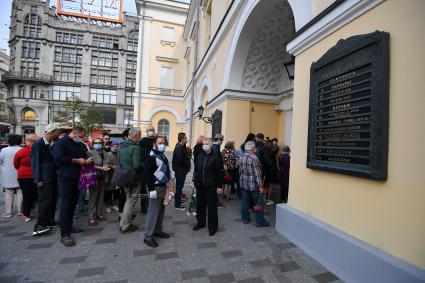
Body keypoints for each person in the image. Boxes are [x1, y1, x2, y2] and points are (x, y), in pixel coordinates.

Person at [53, 126, 92, 247]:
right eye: (80, 136)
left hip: (78, 177)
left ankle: (69, 226)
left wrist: (87, 159)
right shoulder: (61, 143)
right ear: (74, 133)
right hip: (65, 177)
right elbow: (58, 158)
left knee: (73, 203)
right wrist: (76, 161)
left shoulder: (79, 144)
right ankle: (64, 234)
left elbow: (84, 154)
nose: (81, 139)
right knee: (66, 204)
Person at [31, 124, 61, 236]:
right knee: (45, 200)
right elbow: (35, 162)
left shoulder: (51, 144)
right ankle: (39, 225)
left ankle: (49, 221)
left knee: (52, 199)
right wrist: (38, 179)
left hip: (52, 177)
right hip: (44, 178)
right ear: (51, 133)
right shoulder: (38, 144)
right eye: (57, 133)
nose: (58, 135)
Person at [143, 136, 171, 247]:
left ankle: (158, 230)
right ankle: (148, 236)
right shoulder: (151, 155)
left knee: (161, 210)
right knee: (153, 211)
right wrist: (151, 189)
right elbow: (147, 174)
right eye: (160, 143)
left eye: (164, 143)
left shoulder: (161, 154)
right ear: (154, 143)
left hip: (162, 186)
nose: (162, 145)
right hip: (155, 187)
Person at [193, 138, 224, 236]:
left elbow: (219, 172)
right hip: (200, 185)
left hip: (211, 185)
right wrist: (194, 182)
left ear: (211, 145)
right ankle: (200, 223)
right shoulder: (200, 155)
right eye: (204, 143)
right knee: (200, 205)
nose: (204, 145)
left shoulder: (215, 156)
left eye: (207, 143)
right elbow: (197, 169)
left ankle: (213, 227)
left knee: (212, 207)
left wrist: (219, 186)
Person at [239, 141, 270, 227]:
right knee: (258, 202)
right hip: (253, 184)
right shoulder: (254, 158)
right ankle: (259, 221)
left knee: (244, 202)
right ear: (253, 148)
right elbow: (258, 173)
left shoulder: (241, 157)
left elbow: (240, 171)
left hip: (244, 183)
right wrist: (260, 186)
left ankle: (245, 219)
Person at [118, 127, 142, 233]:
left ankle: (123, 222)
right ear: (135, 136)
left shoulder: (121, 145)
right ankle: (125, 225)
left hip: (123, 176)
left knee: (128, 199)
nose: (140, 138)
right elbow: (137, 165)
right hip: (133, 177)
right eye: (139, 135)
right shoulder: (135, 148)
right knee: (131, 201)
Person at [14, 133, 39, 222]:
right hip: (36, 175)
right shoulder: (39, 151)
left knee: (27, 195)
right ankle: (42, 213)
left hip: (23, 175)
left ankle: (25, 214)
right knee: (38, 195)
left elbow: (16, 163)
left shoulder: (21, 151)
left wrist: (21, 169)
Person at [87, 138, 110, 226]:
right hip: (94, 177)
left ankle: (99, 213)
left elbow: (107, 163)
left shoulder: (105, 153)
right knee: (93, 197)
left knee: (101, 196)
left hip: (103, 177)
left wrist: (107, 166)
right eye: (95, 143)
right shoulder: (90, 153)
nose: (98, 144)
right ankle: (91, 217)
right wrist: (101, 168)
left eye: (99, 143)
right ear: (93, 144)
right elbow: (89, 165)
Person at [0, 134, 23, 218]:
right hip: (20, 174)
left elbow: (0, 161)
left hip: (7, 175)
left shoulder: (4, 150)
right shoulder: (22, 149)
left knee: (8, 193)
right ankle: (20, 211)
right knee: (20, 192)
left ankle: (8, 212)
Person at [172, 132, 190, 210]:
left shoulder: (182, 146)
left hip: (181, 169)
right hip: (180, 170)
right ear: (182, 139)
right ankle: (177, 204)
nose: (186, 139)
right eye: (185, 138)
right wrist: (187, 163)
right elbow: (180, 159)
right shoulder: (179, 147)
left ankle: (178, 200)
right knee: (179, 186)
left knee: (180, 186)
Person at [140, 126, 156, 213]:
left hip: (153, 166)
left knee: (152, 186)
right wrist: (143, 162)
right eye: (150, 130)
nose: (151, 132)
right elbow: (140, 153)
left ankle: (152, 204)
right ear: (146, 131)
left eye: (152, 130)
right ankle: (143, 205)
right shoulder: (143, 141)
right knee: (143, 188)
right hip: (144, 166)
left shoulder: (155, 140)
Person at [104, 141, 119, 212]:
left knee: (116, 191)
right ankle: (108, 205)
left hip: (118, 176)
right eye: (114, 146)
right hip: (109, 175)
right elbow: (105, 164)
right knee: (109, 191)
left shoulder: (119, 154)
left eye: (117, 146)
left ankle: (115, 205)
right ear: (111, 146)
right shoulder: (108, 154)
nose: (115, 148)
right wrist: (112, 166)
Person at [263, 139, 279, 205]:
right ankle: (268, 199)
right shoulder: (273, 151)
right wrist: (274, 144)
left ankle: (264, 197)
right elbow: (277, 148)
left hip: (266, 169)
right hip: (272, 169)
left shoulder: (265, 150)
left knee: (266, 184)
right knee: (270, 185)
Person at [212, 134, 225, 208]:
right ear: (219, 140)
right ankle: (216, 202)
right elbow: (217, 162)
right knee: (217, 187)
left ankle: (216, 201)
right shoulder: (216, 148)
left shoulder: (214, 147)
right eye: (222, 140)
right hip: (217, 171)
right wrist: (221, 168)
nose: (222, 142)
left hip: (214, 171)